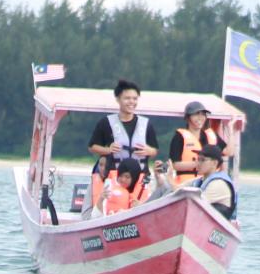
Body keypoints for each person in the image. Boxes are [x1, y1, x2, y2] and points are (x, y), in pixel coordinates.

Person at [88, 79, 156, 208]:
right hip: (115, 177)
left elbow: (154, 151)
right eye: (127, 98)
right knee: (112, 207)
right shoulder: (105, 123)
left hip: (140, 179)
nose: (131, 102)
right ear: (118, 99)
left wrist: (148, 151)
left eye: (135, 99)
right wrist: (108, 150)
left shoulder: (146, 125)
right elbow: (92, 147)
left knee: (139, 206)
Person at [170, 100, 227, 187]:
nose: (200, 117)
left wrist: (230, 130)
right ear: (188, 117)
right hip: (186, 182)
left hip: (208, 181)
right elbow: (175, 165)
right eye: (196, 114)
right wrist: (200, 164)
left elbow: (228, 152)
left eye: (203, 114)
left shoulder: (211, 135)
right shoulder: (179, 137)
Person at [191, 143, 237, 220]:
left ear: (214, 163)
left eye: (202, 160)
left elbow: (195, 204)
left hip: (221, 229)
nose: (198, 163)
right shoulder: (199, 181)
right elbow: (177, 189)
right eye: (198, 159)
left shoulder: (219, 184)